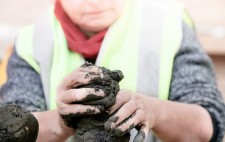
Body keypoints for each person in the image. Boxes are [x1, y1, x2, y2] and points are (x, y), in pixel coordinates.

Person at [0, 0, 225, 141]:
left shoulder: (168, 26)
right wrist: (62, 120)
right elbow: (11, 130)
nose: (94, 2)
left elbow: (210, 125)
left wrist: (155, 111)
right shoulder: (32, 41)